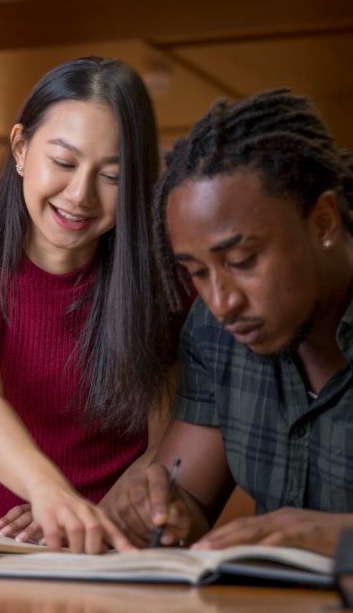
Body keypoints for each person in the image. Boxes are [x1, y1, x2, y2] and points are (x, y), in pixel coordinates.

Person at [0, 57, 174, 553]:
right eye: (63, 163)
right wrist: (50, 493)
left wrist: (92, 518)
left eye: (113, 175)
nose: (80, 194)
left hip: (128, 553)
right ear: (20, 148)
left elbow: (168, 444)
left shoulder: (166, 287)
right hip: (9, 550)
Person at [112, 88, 353, 557]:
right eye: (197, 273)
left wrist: (341, 539)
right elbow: (189, 500)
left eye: (242, 260)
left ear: (323, 221)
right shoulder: (212, 330)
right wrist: (158, 510)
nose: (222, 302)